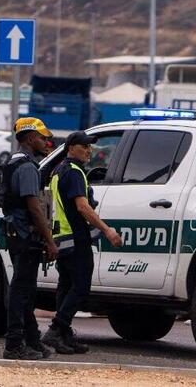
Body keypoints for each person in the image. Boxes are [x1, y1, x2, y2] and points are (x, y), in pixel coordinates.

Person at [42, 131, 123, 354]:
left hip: (62, 239)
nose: (89, 151)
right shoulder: (75, 172)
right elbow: (82, 207)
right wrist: (106, 230)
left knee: (66, 286)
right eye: (84, 146)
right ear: (70, 147)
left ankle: (63, 335)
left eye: (90, 147)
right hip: (76, 238)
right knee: (80, 287)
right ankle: (56, 330)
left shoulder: (59, 170)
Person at [0, 117, 59, 360]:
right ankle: (13, 345)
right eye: (42, 137)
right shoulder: (28, 168)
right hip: (25, 234)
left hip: (15, 232)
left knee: (26, 290)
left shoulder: (12, 162)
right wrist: (50, 240)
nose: (46, 141)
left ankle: (32, 341)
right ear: (30, 138)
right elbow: (34, 208)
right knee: (21, 291)